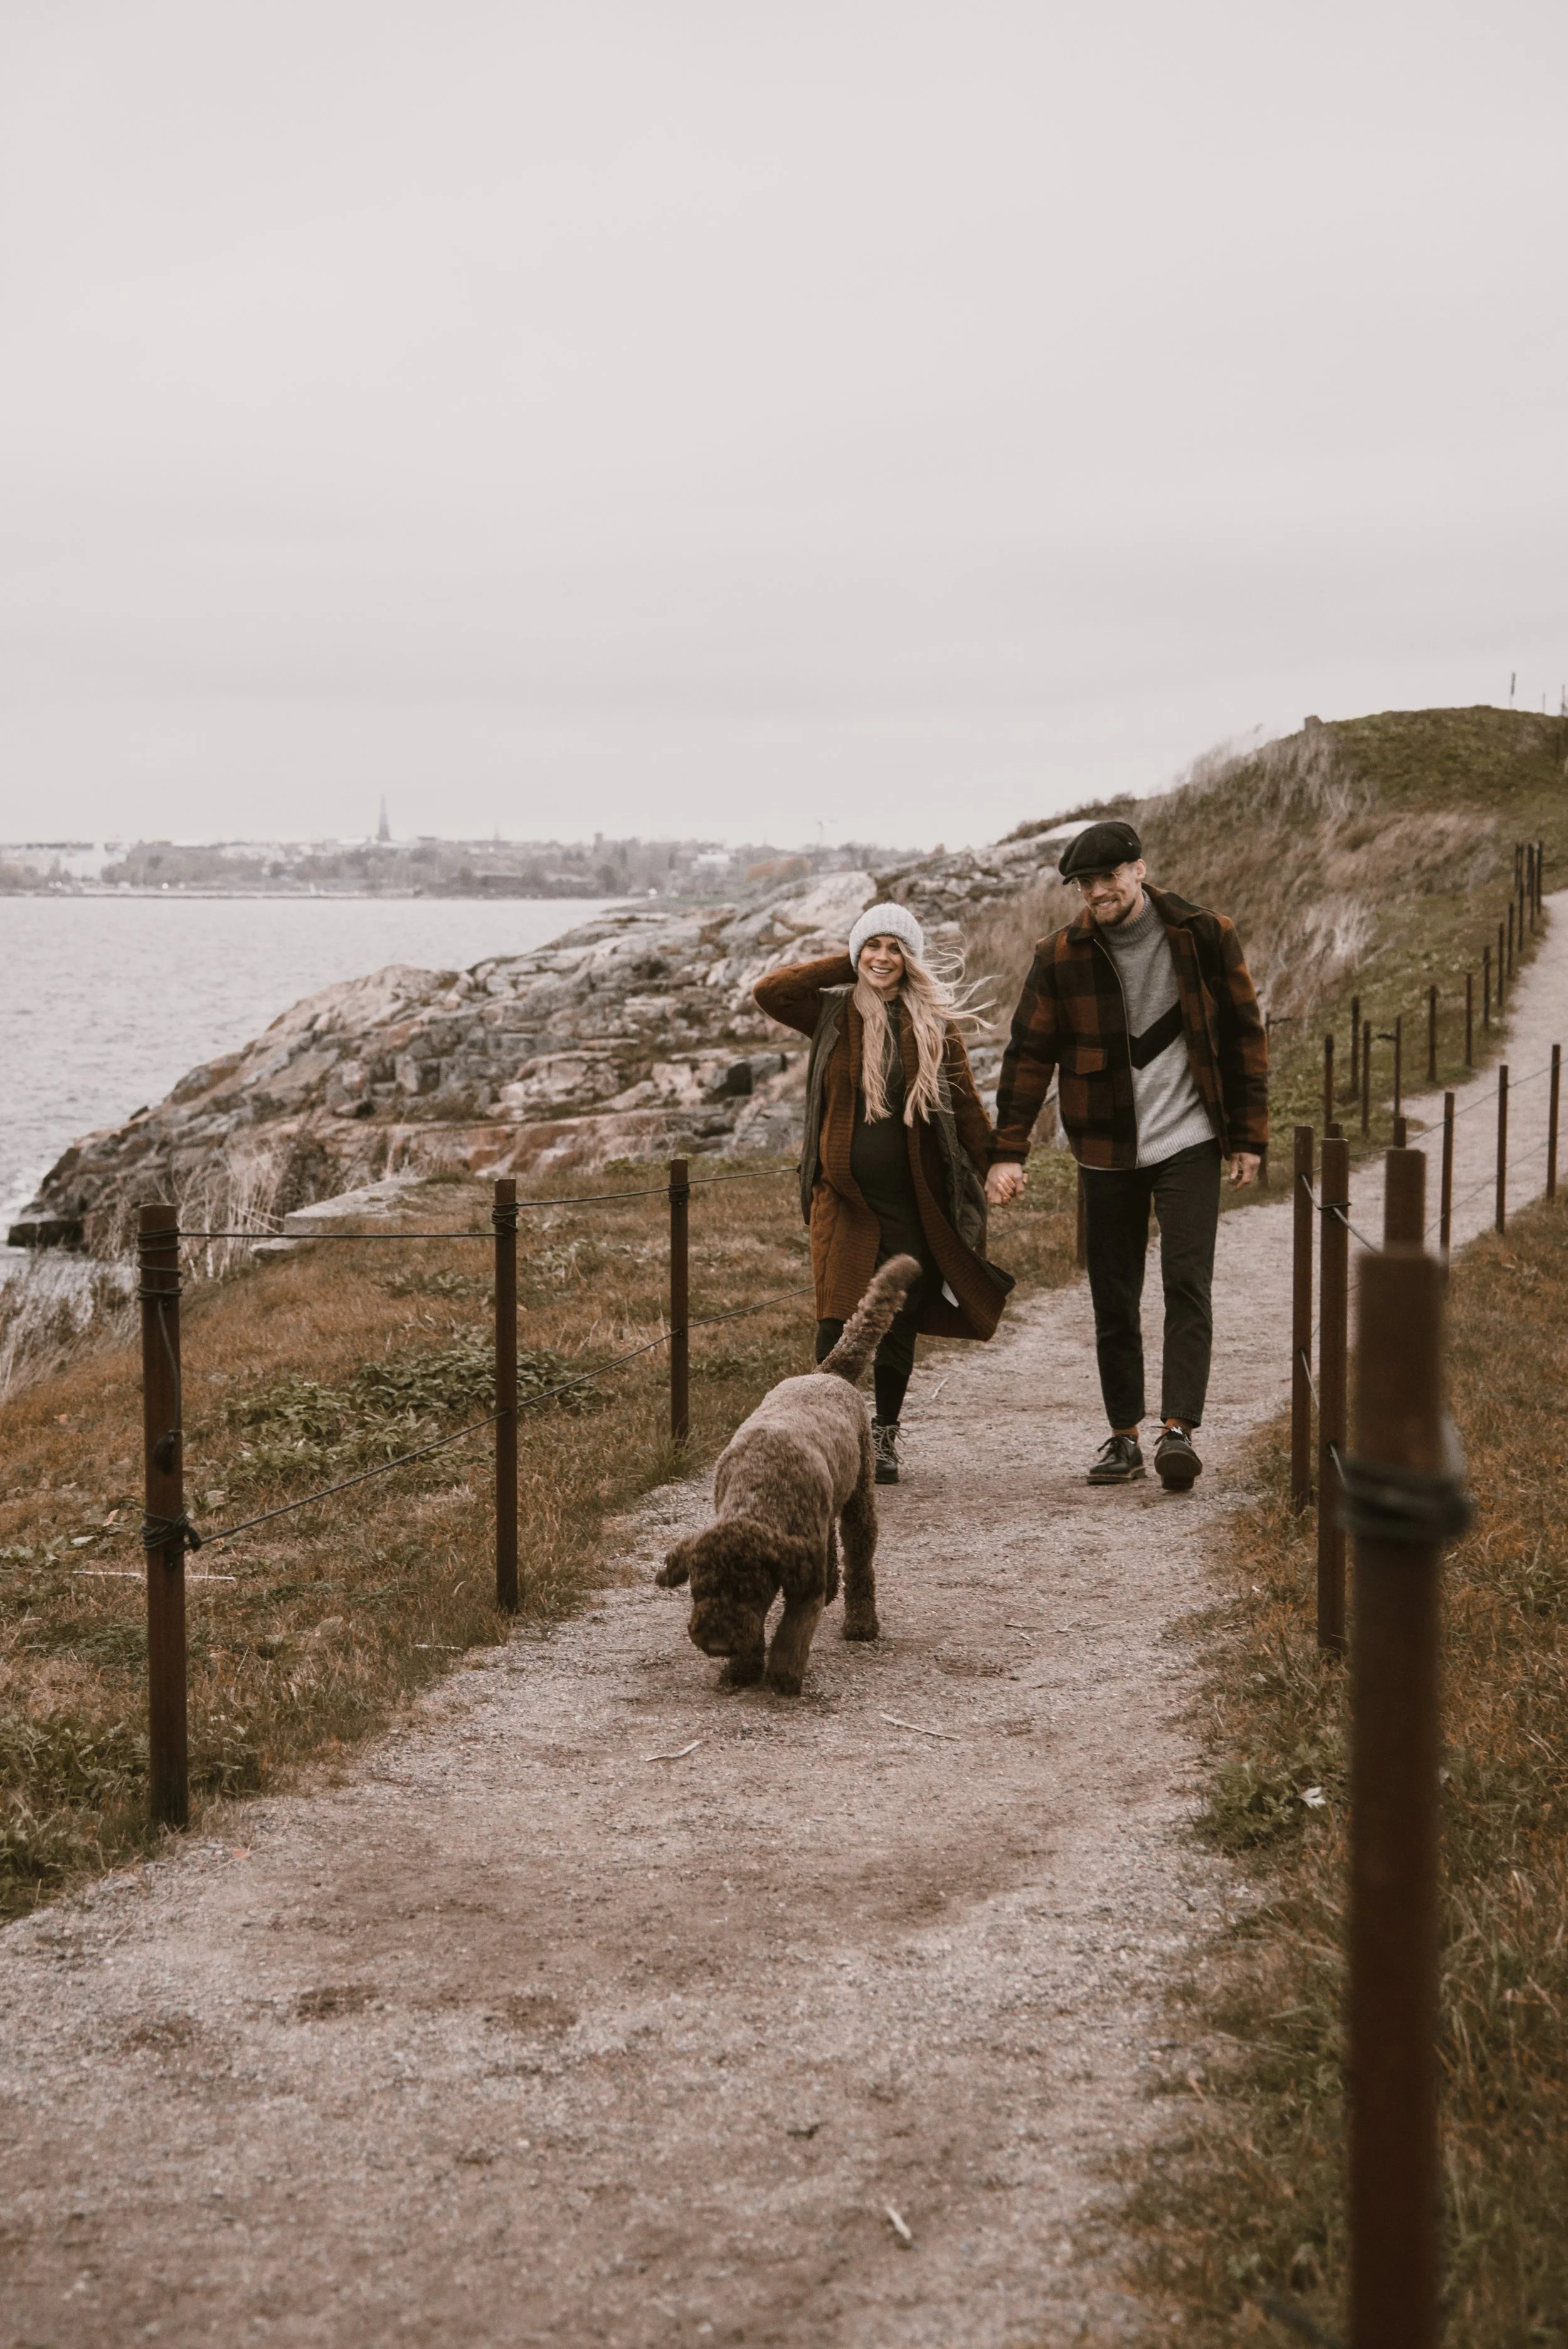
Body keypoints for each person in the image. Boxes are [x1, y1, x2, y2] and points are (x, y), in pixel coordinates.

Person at [984, 820, 1267, 1492]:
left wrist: (1250, 1136)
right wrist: (1007, 1151)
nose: (1097, 892)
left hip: (1189, 1140)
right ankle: (1123, 1436)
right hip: (1105, 1148)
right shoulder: (1060, 955)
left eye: (1108, 877)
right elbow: (1027, 1056)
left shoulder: (1204, 934)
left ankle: (1178, 1429)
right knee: (1113, 1297)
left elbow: (1242, 1036)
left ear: (1139, 870)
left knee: (1185, 1282)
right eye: (1085, 883)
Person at [755, 903, 1013, 1484]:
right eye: (874, 946)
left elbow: (967, 1107)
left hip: (911, 1202)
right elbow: (771, 990)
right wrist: (850, 957)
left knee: (895, 1322)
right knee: (834, 1321)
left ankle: (884, 1436)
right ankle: (827, 1433)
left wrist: (996, 1165)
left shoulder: (933, 1026)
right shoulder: (832, 1012)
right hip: (841, 1200)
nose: (883, 957)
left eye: (896, 948)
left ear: (910, 959)